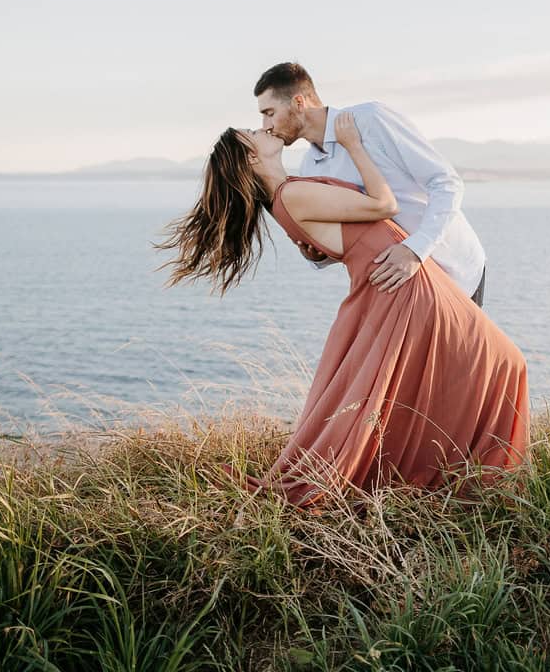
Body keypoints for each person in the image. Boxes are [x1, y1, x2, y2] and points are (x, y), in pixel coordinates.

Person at [157, 114, 530, 507]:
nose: (262, 127)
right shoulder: (291, 196)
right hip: (405, 285)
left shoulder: (289, 195)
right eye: (252, 132)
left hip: (400, 282)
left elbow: (349, 236)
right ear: (250, 158)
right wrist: (353, 145)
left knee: (461, 376)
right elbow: (383, 204)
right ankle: (478, 479)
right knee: (507, 362)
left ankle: (462, 476)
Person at [255, 62, 488, 306]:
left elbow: (446, 181)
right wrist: (319, 256)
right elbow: (348, 236)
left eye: (269, 113)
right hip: (403, 288)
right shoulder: (309, 169)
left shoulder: (371, 120)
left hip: (455, 269)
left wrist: (415, 249)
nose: (266, 126)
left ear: (299, 103)